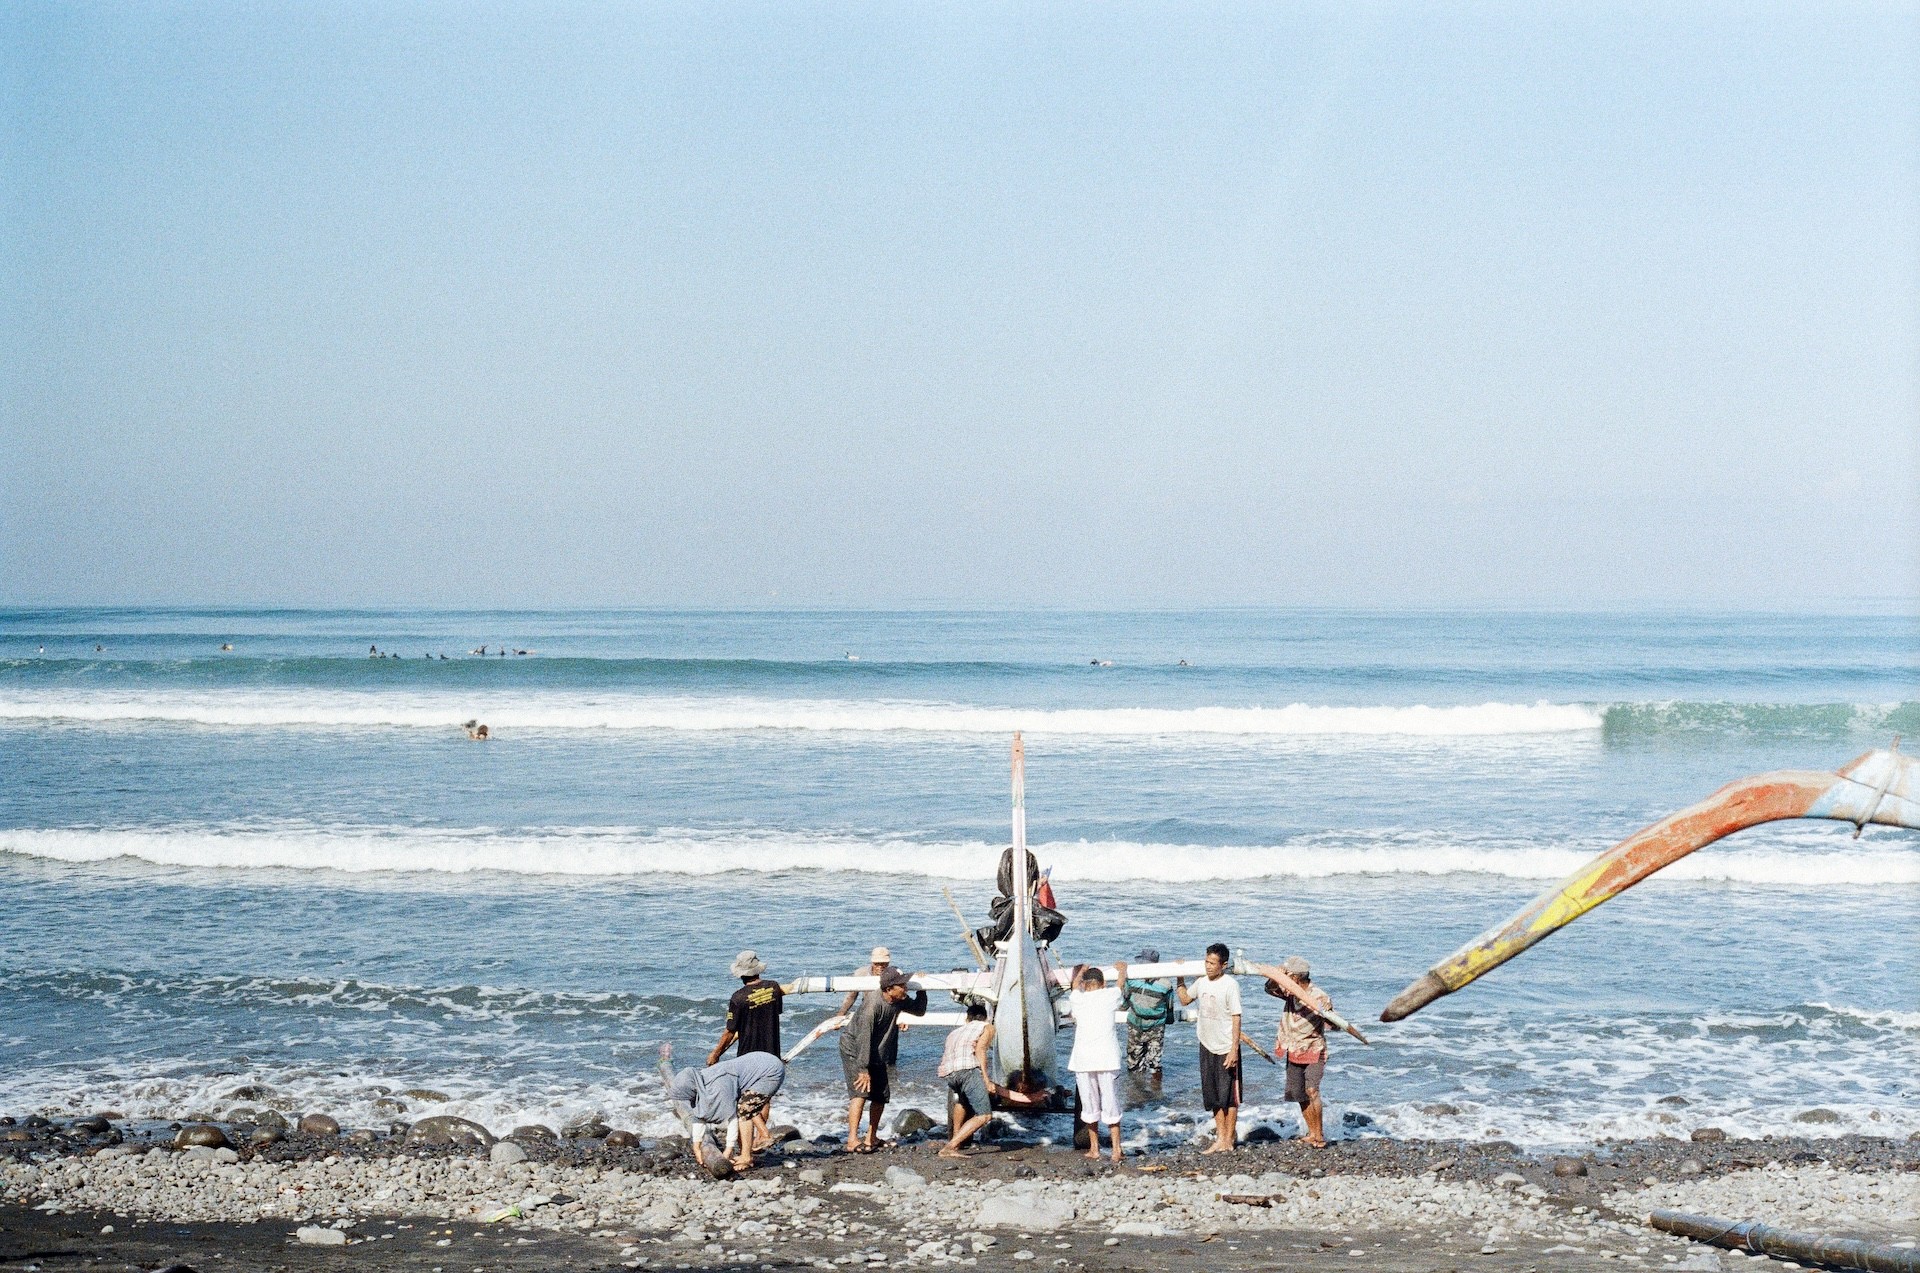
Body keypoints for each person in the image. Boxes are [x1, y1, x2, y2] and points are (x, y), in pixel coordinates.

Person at [838, 967, 927, 1153]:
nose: (905, 988)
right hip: (855, 1049)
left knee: (880, 1095)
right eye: (902, 985)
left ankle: (871, 1138)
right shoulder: (873, 1006)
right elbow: (864, 1037)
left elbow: (919, 1011)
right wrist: (863, 1069)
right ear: (888, 989)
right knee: (860, 1092)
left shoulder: (898, 999)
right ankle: (852, 1140)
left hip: (876, 1051)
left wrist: (922, 990)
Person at [663, 1049, 786, 1175]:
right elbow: (700, 1117)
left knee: (744, 1110)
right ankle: (746, 1149)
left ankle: (746, 1157)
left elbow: (732, 1118)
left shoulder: (719, 1087)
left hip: (770, 1070)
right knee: (743, 1108)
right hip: (757, 1064)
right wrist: (697, 1147)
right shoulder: (698, 1082)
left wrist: (728, 1150)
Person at [1176, 942, 1241, 1154]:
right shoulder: (1202, 983)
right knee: (1212, 1096)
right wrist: (1180, 977)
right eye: (1206, 961)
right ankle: (1220, 1138)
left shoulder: (1230, 985)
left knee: (1229, 1097)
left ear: (1223, 965)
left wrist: (1233, 1049)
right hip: (1206, 1044)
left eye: (1213, 963)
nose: (1208, 966)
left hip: (1225, 1047)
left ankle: (1229, 1139)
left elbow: (1236, 1018)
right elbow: (1185, 1000)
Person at [1264, 955, 1333, 1149]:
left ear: (1295, 977)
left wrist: (1325, 1013)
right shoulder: (1289, 991)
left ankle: (1320, 1135)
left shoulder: (1320, 996)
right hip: (1293, 1048)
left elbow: (1332, 1024)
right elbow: (1269, 989)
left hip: (1313, 1048)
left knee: (1312, 1090)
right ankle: (1312, 1133)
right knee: (1299, 1093)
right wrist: (1275, 976)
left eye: (1287, 974)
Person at [1067, 960, 1127, 1163]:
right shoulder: (1110, 995)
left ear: (1085, 984)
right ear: (1102, 984)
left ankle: (1094, 1148)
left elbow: (1074, 986)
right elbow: (1120, 985)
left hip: (1083, 1059)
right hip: (1107, 1058)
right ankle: (1116, 1149)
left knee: (1089, 1104)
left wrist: (1080, 971)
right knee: (1111, 1104)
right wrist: (1122, 970)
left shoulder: (1077, 999)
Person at [937, 1002, 1000, 1157]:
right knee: (984, 1115)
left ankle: (957, 1140)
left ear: (967, 1018)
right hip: (967, 1071)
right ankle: (950, 1147)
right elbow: (980, 1050)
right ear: (986, 1018)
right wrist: (986, 1079)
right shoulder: (987, 1027)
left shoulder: (954, 1032)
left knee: (963, 1102)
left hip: (949, 1073)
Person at [1123, 948, 1180, 1088]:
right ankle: (1136, 1092)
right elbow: (1125, 1001)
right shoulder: (1132, 980)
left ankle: (1155, 1093)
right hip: (1135, 1024)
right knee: (1133, 1062)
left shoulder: (1165, 984)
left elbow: (1169, 1006)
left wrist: (1169, 1019)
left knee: (1155, 1062)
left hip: (1156, 1026)